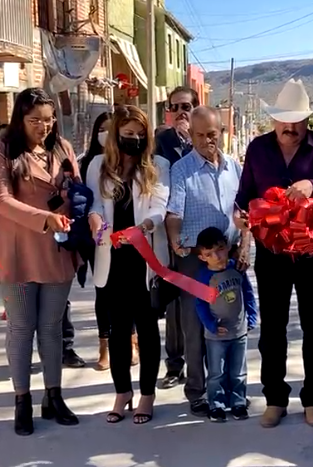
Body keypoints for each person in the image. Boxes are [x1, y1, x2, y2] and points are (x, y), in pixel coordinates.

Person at [234, 79, 313, 428]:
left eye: (297, 121)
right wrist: (239, 214)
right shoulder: (257, 148)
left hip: (312, 252)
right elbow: (245, 193)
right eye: (285, 120)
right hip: (271, 253)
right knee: (273, 330)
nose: (291, 128)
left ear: (306, 120)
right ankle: (275, 398)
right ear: (274, 120)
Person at [0, 87, 80, 436]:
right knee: (21, 328)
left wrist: (74, 200)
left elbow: (77, 189)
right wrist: (44, 218)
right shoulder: (3, 148)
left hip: (56, 249)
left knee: (52, 328)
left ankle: (54, 395)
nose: (43, 126)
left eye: (49, 120)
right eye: (35, 120)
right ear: (20, 118)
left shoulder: (62, 148)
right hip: (17, 249)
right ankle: (22, 399)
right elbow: (2, 200)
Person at [86, 105, 170, 425]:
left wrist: (146, 226)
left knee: (147, 328)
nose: (134, 140)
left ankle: (147, 393)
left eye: (139, 135)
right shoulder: (98, 165)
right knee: (118, 329)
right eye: (127, 134)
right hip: (112, 257)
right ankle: (122, 392)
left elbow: (160, 205)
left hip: (144, 257)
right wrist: (94, 217)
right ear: (115, 135)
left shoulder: (157, 166)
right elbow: (94, 201)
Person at [165, 106, 245, 417]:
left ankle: (226, 390)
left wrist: (244, 247)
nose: (205, 141)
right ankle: (197, 392)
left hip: (227, 261)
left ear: (221, 132)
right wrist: (174, 239)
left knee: (229, 326)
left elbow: (243, 215)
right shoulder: (182, 170)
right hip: (194, 263)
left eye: (211, 134)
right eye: (198, 135)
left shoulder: (234, 169)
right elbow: (174, 212)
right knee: (196, 327)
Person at [157, 86, 200, 392]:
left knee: (202, 297)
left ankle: (205, 363)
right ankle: (175, 364)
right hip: (172, 232)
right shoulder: (160, 142)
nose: (181, 112)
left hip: (202, 231)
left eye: (187, 106)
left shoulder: (204, 139)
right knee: (175, 303)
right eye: (176, 107)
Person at [193, 227, 257, 423]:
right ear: (202, 257)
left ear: (228, 247)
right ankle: (217, 405)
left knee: (238, 371)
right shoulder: (203, 277)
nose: (217, 256)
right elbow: (200, 304)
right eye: (209, 254)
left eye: (220, 249)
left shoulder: (236, 269)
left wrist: (252, 317)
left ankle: (238, 403)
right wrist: (211, 325)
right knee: (216, 373)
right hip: (216, 337)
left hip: (239, 332)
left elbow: (247, 293)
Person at [77, 111, 117, 370]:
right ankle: (105, 346)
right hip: (97, 237)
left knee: (127, 291)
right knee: (103, 291)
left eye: (111, 130)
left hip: (126, 236)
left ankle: (131, 340)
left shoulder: (130, 160)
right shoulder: (87, 162)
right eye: (102, 129)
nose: (106, 134)